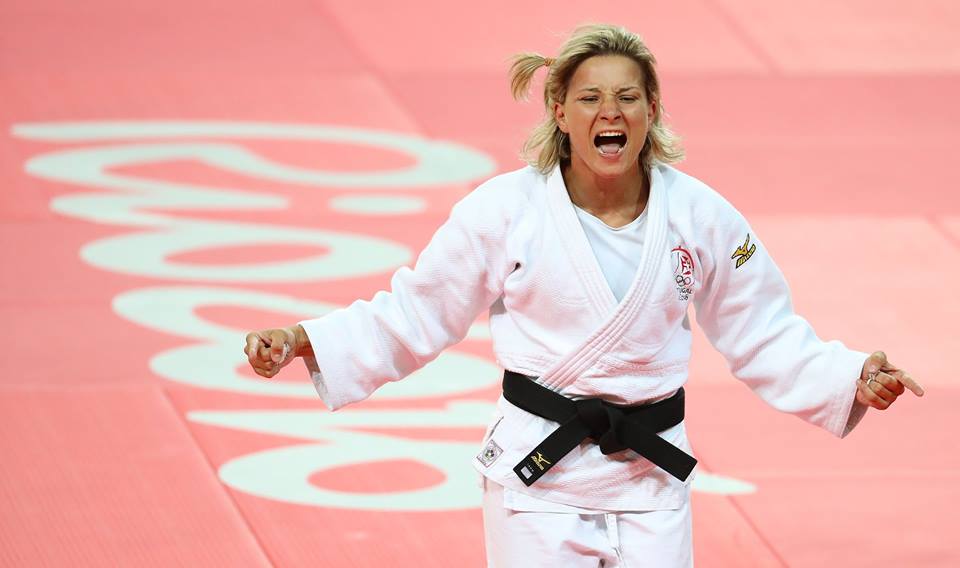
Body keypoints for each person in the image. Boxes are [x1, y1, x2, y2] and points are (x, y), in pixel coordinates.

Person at [244, 23, 924, 567]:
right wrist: (307, 340)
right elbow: (420, 309)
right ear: (559, 111)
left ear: (652, 110)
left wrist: (848, 376)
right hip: (539, 474)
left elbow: (763, 328)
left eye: (628, 97)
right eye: (591, 97)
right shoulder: (504, 211)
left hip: (650, 475)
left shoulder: (702, 216)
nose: (610, 112)